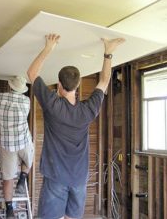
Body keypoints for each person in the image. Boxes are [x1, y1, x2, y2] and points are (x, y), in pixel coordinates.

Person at [27, 34, 125, 219]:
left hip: (56, 177)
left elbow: (32, 73)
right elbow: (104, 81)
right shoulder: (88, 110)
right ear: (78, 85)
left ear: (59, 86)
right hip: (79, 178)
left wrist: (49, 47)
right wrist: (108, 53)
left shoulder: (53, 105)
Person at [0, 76, 34, 219]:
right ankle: (23, 177)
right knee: (30, 157)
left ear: (10, 86)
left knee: (8, 177)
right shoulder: (26, 101)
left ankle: (9, 208)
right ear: (22, 90)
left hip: (7, 143)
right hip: (23, 140)